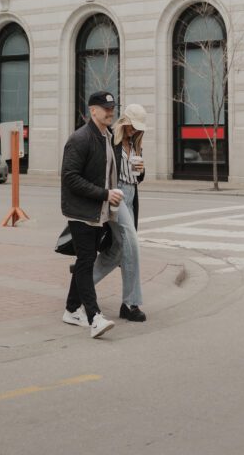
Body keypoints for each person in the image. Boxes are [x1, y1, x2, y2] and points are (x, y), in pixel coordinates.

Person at [61, 90, 123, 339]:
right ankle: (94, 316)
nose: (110, 112)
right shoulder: (80, 138)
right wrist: (104, 194)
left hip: (98, 211)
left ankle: (71, 309)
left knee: (86, 261)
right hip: (81, 211)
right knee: (86, 261)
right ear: (92, 111)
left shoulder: (107, 137)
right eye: (104, 108)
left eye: (112, 108)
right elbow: (70, 177)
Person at [93, 103, 148, 322]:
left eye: (138, 127)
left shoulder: (135, 144)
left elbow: (137, 178)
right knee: (132, 242)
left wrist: (141, 171)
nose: (135, 130)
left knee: (118, 250)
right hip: (117, 196)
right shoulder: (110, 141)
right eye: (132, 126)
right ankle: (131, 303)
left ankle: (81, 285)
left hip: (132, 195)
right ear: (124, 122)